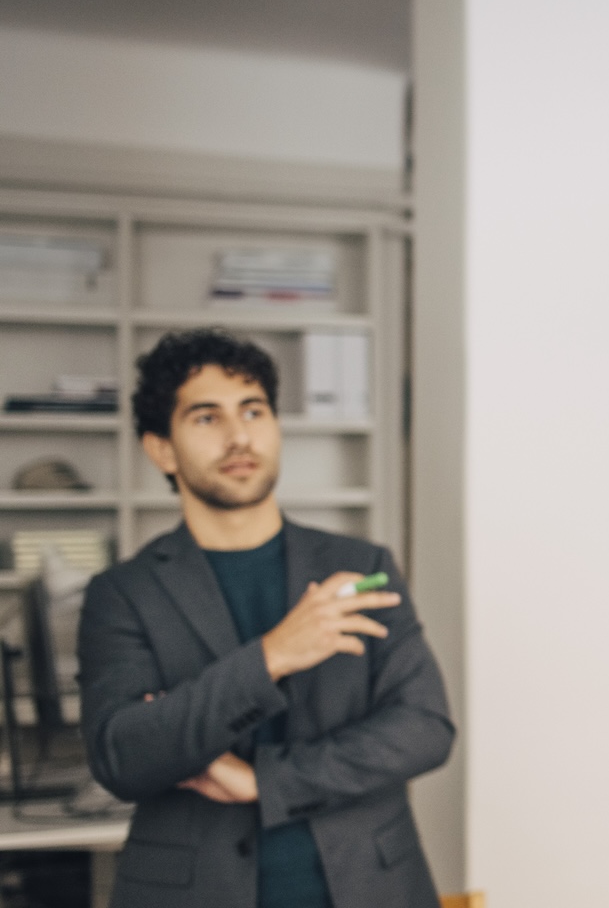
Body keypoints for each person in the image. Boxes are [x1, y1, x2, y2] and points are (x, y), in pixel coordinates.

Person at [78, 329, 453, 908]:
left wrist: (265, 781)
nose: (239, 436)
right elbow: (124, 756)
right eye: (207, 417)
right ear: (162, 449)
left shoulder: (362, 567)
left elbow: (424, 728)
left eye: (253, 411)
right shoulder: (123, 594)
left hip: (369, 884)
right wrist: (273, 655)